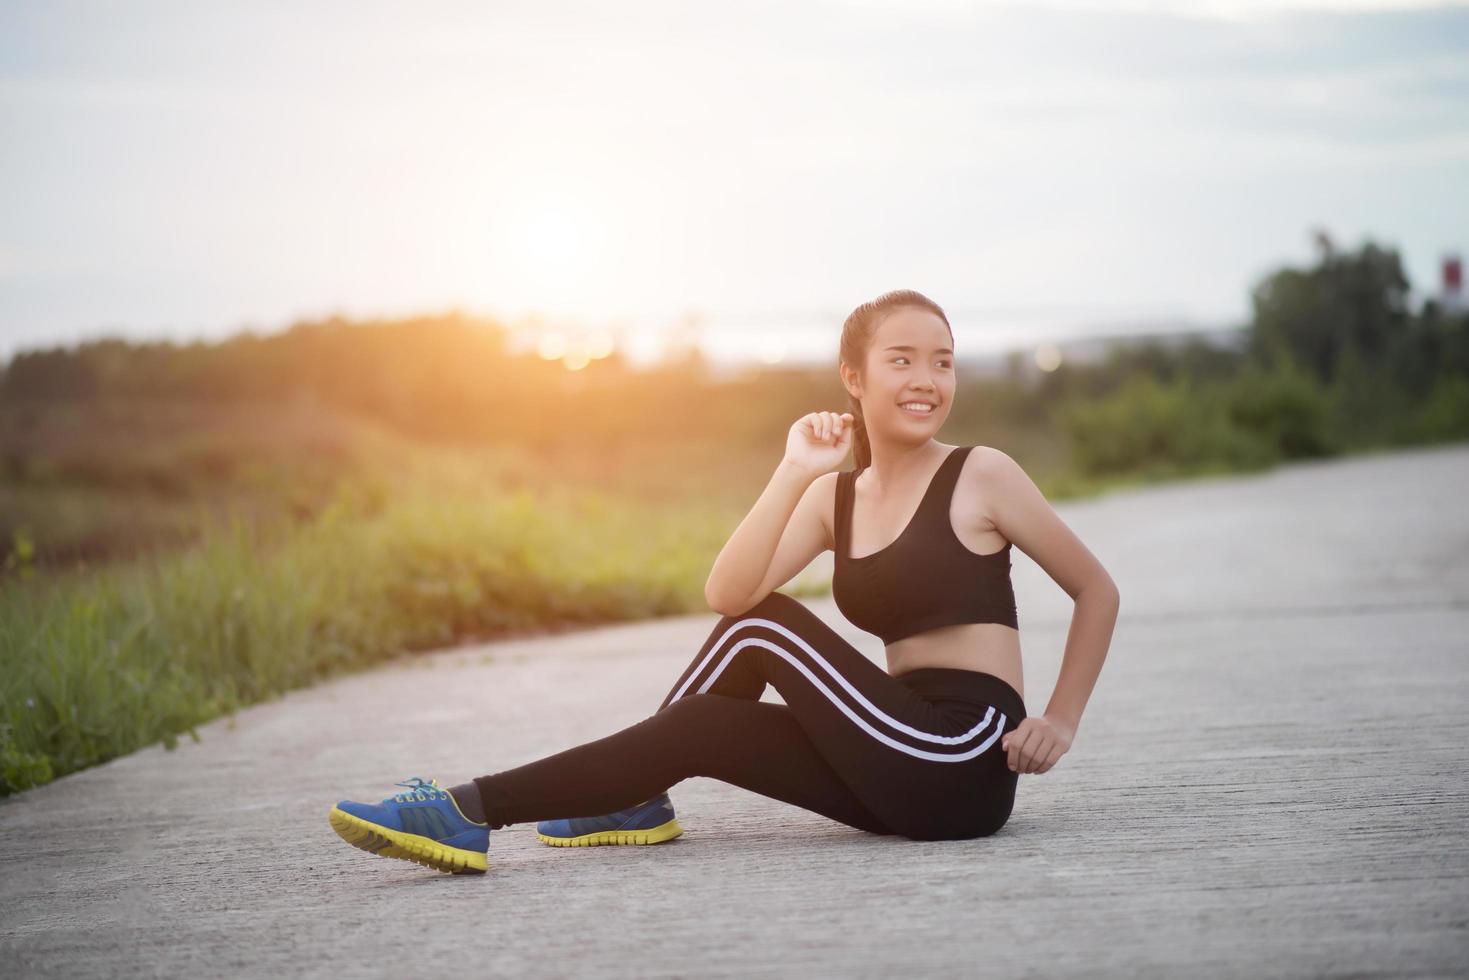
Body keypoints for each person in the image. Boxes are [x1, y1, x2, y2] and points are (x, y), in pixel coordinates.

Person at [328, 288, 1121, 875]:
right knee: (708, 718)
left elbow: (1095, 590)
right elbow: (727, 594)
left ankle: (473, 808)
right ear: (854, 375)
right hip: (895, 760)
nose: (926, 379)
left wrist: (1060, 718)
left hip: (963, 753)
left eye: (942, 362)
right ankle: (608, 796)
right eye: (902, 359)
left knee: (767, 626)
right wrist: (792, 469)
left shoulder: (981, 474)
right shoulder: (833, 497)